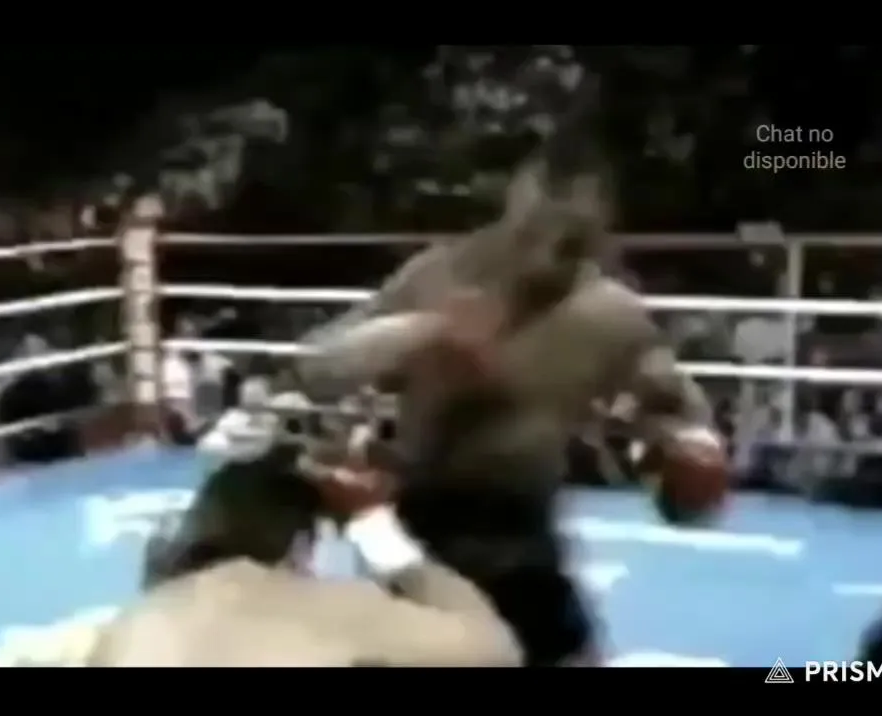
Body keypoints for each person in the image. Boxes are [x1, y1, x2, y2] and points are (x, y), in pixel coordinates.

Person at [294, 163, 725, 666]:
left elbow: (676, 409)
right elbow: (317, 366)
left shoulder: (608, 314)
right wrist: (422, 331)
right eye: (547, 232)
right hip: (421, 529)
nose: (553, 253)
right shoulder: (436, 277)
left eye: (572, 240)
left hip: (524, 544)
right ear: (513, 220)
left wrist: (691, 451)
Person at [86, 441, 521, 667]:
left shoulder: (133, 622)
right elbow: (497, 651)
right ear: (301, 543)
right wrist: (374, 527)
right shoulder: (332, 610)